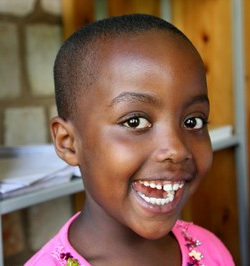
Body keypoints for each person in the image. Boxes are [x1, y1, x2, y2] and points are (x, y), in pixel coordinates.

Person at [25, 13, 234, 266]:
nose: (177, 150)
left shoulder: (210, 249)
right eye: (135, 122)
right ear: (68, 142)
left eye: (193, 121)